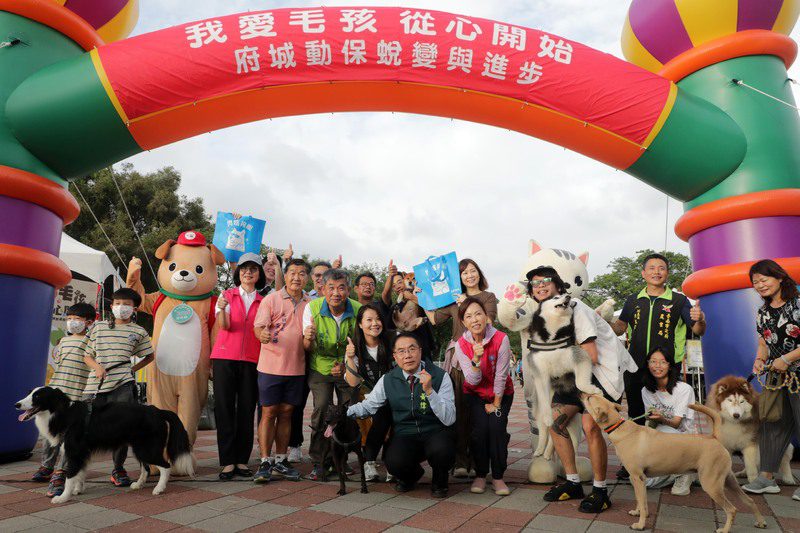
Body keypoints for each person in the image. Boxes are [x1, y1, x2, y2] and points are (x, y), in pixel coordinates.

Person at [524, 268, 616, 513]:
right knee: (554, 421)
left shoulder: (576, 308)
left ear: (557, 284)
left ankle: (600, 490)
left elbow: (591, 356)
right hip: (572, 375)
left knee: (591, 427)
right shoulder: (547, 315)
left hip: (601, 373)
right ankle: (573, 483)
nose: (540, 286)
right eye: (534, 283)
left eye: (545, 281)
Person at [611, 253, 705, 480]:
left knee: (666, 413)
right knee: (636, 414)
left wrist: (699, 318)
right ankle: (632, 462)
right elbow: (620, 329)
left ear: (667, 273)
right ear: (643, 273)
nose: (656, 271)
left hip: (665, 367)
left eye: (661, 268)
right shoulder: (633, 300)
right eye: (651, 268)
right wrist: (603, 321)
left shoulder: (679, 301)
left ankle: (673, 462)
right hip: (635, 366)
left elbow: (698, 330)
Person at [348, 333, 456, 497]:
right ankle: (411, 476)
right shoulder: (388, 379)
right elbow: (369, 406)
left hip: (435, 432)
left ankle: (440, 481)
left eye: (412, 349)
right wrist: (344, 413)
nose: (407, 355)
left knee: (443, 450)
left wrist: (429, 391)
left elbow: (449, 418)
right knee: (394, 462)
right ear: (395, 356)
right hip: (405, 433)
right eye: (401, 351)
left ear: (420, 351)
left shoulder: (441, 376)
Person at [424, 258, 498, 478]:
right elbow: (435, 319)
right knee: (459, 407)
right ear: (459, 278)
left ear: (479, 273)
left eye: (473, 271)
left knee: (480, 409)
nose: (469, 276)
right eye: (464, 273)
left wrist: (468, 302)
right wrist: (423, 296)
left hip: (482, 356)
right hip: (458, 359)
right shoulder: (452, 300)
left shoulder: (488, 297)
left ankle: (479, 461)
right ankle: (460, 461)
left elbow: (490, 323)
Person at [83, 288, 154, 487]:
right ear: (111, 305)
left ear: (134, 309)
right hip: (95, 386)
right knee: (82, 427)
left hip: (123, 385)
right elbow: (87, 355)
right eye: (117, 303)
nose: (121, 307)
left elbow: (150, 356)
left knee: (122, 428)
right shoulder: (98, 327)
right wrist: (97, 367)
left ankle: (118, 469)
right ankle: (70, 469)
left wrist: (132, 369)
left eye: (127, 304)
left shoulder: (139, 331)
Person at [743, 259, 800, 499]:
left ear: (779, 277)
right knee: (772, 422)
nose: (760, 285)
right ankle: (766, 478)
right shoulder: (763, 311)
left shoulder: (798, 304)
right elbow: (763, 341)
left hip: (797, 373)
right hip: (777, 376)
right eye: (755, 282)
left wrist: (787, 359)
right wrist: (759, 358)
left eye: (764, 279)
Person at [252, 258, 311, 483]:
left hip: (297, 368)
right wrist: (262, 335)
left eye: (302, 273)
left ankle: (280, 459)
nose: (297, 277)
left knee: (287, 413)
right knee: (268, 412)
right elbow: (258, 328)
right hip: (270, 367)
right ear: (284, 276)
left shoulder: (311, 303)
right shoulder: (271, 299)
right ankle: (265, 461)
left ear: (306, 277)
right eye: (293, 273)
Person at [32, 302, 96, 497]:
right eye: (69, 319)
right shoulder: (62, 341)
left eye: (76, 319)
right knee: (50, 433)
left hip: (76, 396)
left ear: (89, 322)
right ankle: (47, 465)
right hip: (56, 394)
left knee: (69, 438)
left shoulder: (91, 341)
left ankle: (61, 473)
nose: (71, 322)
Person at [210, 252, 264, 480]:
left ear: (259, 274)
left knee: (246, 409)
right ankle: (227, 462)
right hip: (225, 358)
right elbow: (225, 327)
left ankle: (242, 460)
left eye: (252, 269)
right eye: (243, 269)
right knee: (224, 408)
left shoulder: (265, 301)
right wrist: (222, 308)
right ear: (237, 272)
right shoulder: (226, 295)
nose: (247, 272)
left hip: (252, 360)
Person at [302, 268, 360, 480]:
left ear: (348, 290)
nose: (336, 293)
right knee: (322, 409)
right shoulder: (312, 308)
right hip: (320, 367)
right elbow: (307, 346)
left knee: (350, 411)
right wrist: (308, 338)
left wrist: (347, 366)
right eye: (331, 288)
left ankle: (342, 460)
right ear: (322, 289)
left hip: (348, 366)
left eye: (341, 287)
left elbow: (362, 346)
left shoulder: (358, 309)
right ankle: (319, 462)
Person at [453, 297, 514, 496]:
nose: (475, 319)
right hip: (475, 393)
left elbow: (501, 375)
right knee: (479, 432)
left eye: (478, 313)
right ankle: (480, 474)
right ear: (464, 322)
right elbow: (472, 380)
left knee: (496, 428)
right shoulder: (461, 344)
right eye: (468, 316)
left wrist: (496, 404)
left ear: (486, 316)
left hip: (501, 393)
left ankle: (497, 476)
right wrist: (476, 359)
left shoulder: (501, 338)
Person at [287, 255, 341, 462]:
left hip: (327, 364)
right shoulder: (305, 299)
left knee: (329, 407)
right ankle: (295, 445)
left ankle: (334, 453)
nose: (320, 279)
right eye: (317, 275)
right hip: (301, 362)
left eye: (324, 275)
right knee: (297, 405)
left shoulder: (338, 300)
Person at [343, 303, 394, 482]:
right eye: (369, 320)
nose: (375, 323)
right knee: (373, 413)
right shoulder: (354, 346)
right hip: (366, 395)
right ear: (359, 324)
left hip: (391, 393)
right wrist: (349, 358)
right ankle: (369, 462)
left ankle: (391, 463)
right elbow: (352, 382)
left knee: (391, 415)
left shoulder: (391, 341)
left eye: (378, 319)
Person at [641, 346, 696, 495]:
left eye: (663, 362)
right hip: (661, 435)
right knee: (647, 484)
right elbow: (651, 420)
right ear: (647, 364)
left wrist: (660, 418)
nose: (657, 366)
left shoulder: (684, 389)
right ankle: (680, 470)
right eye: (653, 361)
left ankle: (684, 473)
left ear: (670, 366)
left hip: (683, 436)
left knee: (664, 434)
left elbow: (677, 423)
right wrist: (650, 417)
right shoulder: (646, 390)